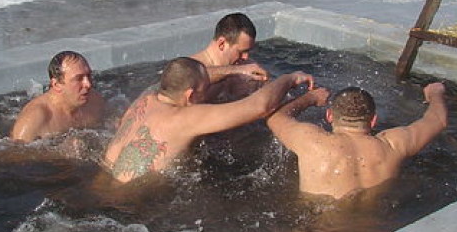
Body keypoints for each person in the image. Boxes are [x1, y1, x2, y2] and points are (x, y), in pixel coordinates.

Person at [101, 57, 315, 183]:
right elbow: (259, 107)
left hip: (101, 180)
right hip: (134, 201)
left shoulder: (144, 101)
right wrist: (291, 78)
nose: (208, 94)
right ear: (190, 96)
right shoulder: (184, 118)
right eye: (205, 91)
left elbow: (180, 79)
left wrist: (236, 70)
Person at [266, 83, 448, 200]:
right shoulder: (394, 144)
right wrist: (435, 93)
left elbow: (275, 117)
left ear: (329, 116)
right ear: (373, 120)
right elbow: (438, 120)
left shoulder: (312, 141)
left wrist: (310, 98)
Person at [10, 51, 106, 142]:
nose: (88, 84)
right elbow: (13, 155)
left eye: (88, 75)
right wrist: (62, 153)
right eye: (78, 78)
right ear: (56, 85)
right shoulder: (35, 119)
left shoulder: (94, 100)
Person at [191, 12, 269, 101]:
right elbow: (192, 78)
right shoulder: (187, 67)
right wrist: (237, 70)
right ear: (222, 44)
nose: (246, 57)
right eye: (241, 51)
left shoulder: (244, 65)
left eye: (248, 51)